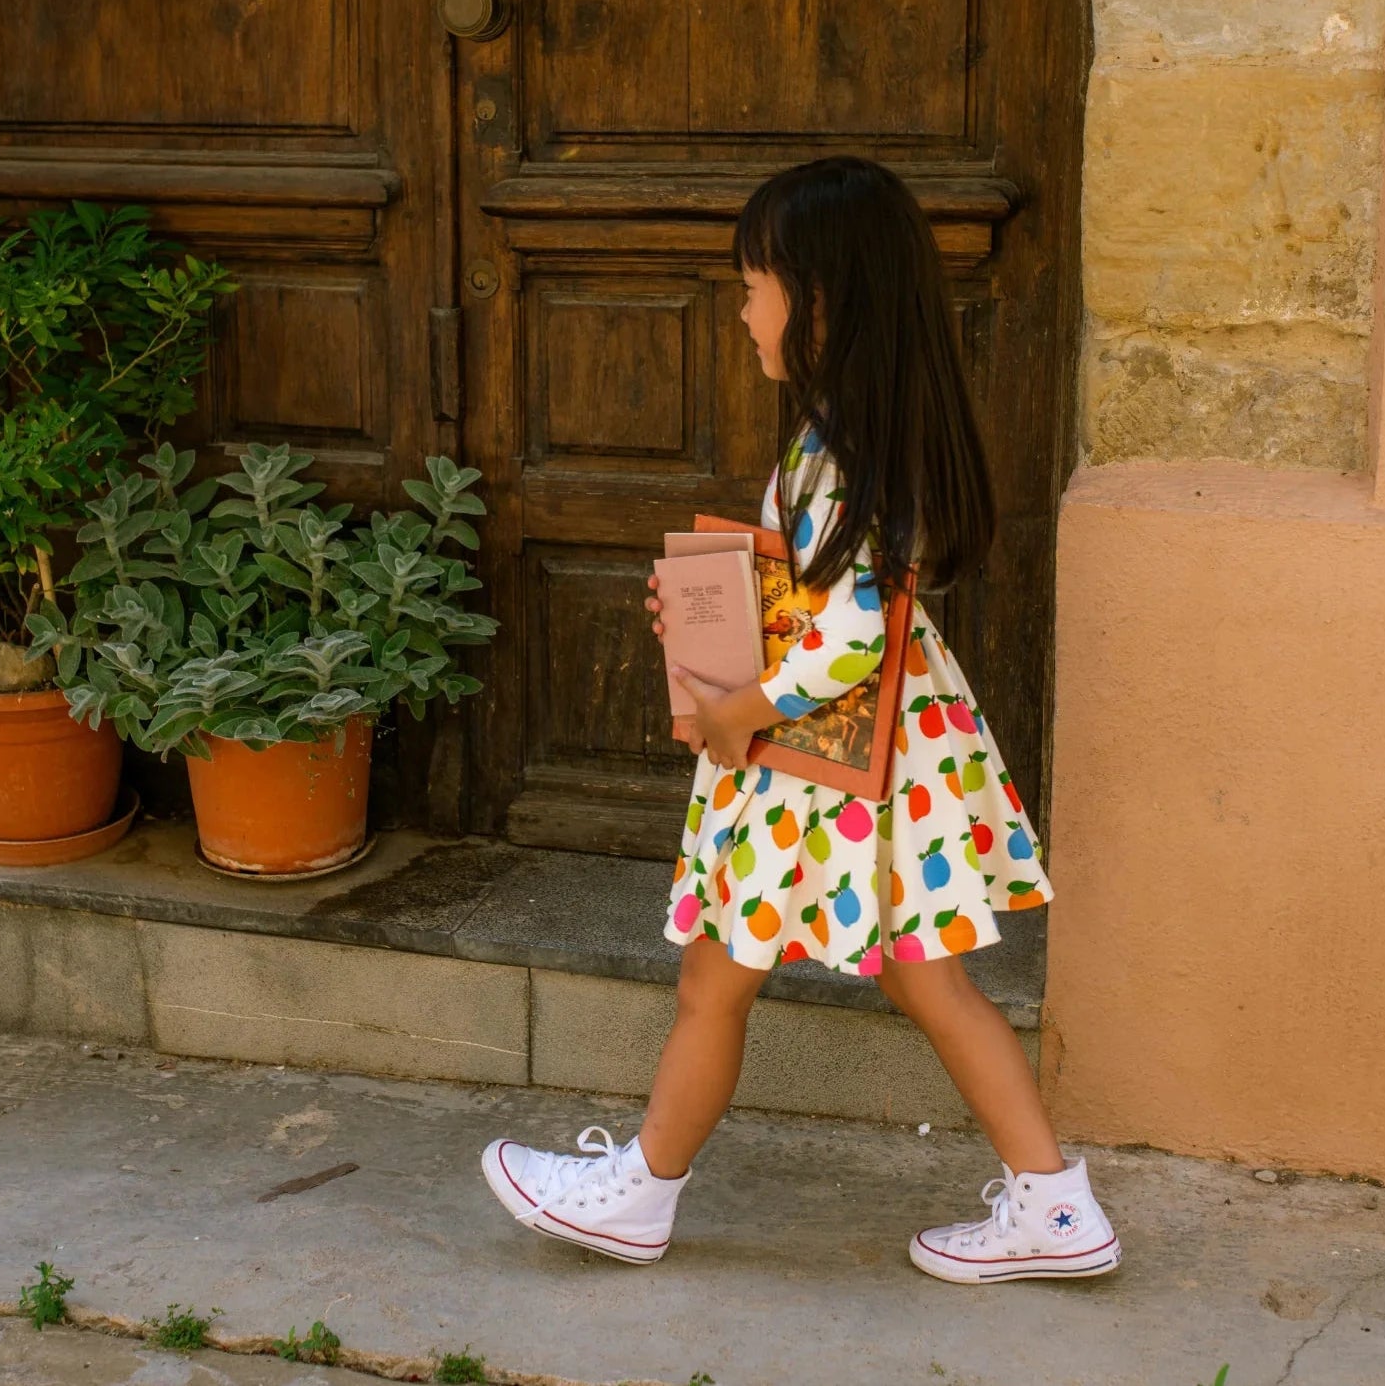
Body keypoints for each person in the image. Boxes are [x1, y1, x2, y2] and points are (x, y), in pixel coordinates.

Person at [480, 157, 1120, 1283]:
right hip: (887, 761)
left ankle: (639, 1191)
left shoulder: (840, 451)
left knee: (715, 979)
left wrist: (739, 705)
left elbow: (852, 633)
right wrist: (710, 608)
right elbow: (829, 603)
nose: (739, 313)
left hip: (821, 765)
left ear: (817, 301)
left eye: (750, 287)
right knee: (928, 974)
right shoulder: (857, 439)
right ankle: (1055, 1207)